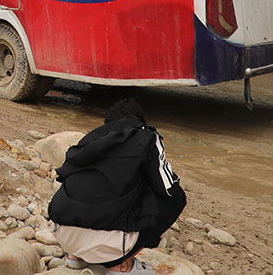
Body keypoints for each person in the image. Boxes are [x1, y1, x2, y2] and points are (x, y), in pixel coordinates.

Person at [47, 99, 186, 274]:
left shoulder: (91, 139)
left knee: (90, 189)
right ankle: (121, 264)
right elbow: (168, 188)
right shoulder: (146, 136)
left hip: (64, 235)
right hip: (110, 244)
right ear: (140, 121)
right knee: (177, 198)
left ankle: (75, 257)